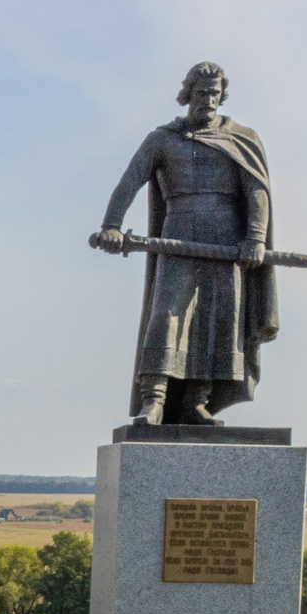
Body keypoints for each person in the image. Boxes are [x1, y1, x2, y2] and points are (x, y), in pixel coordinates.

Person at [91, 62, 279, 425]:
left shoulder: (241, 138)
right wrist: (112, 225)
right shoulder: (162, 139)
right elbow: (129, 182)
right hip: (176, 233)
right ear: (187, 95)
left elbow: (257, 190)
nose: (207, 100)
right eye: (200, 93)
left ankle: (196, 401)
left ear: (221, 95)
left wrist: (255, 237)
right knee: (167, 315)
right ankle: (154, 400)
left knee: (217, 318)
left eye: (214, 93)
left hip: (226, 239)